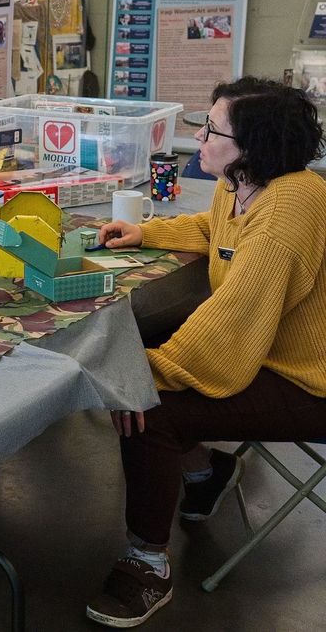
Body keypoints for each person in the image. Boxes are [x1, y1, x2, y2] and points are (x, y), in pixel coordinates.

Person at [86, 76, 326, 628]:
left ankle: (147, 567)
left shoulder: (291, 210)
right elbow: (218, 230)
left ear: (252, 147)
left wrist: (143, 375)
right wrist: (148, 232)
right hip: (269, 351)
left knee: (151, 407)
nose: (198, 138)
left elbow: (234, 321)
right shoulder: (243, 183)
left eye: (211, 130)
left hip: (309, 380)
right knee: (141, 354)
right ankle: (204, 472)